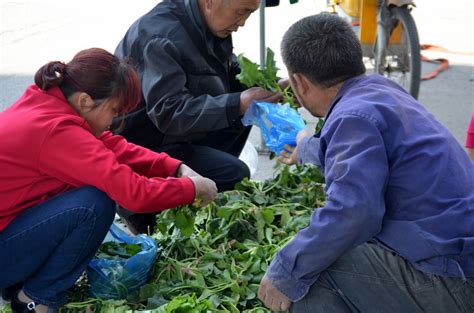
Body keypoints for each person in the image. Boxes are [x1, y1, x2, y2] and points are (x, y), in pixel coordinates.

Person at [257, 13, 474, 312]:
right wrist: (305, 147)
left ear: (300, 82)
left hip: (455, 281)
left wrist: (283, 271)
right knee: (325, 251)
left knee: (319, 264)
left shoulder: (351, 118)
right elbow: (352, 150)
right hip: (458, 254)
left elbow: (355, 212)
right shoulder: (380, 90)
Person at [0, 48, 217, 312]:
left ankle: (18, 282)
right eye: (113, 110)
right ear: (84, 101)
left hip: (9, 227)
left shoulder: (47, 101)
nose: (114, 121)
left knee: (83, 190)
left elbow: (112, 147)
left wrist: (175, 167)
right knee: (93, 205)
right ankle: (35, 300)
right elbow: (135, 193)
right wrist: (191, 188)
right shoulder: (55, 132)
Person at [114, 0, 282, 234]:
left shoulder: (210, 24)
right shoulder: (160, 36)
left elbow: (231, 77)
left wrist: (266, 89)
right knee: (236, 172)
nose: (242, 22)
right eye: (241, 12)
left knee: (243, 114)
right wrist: (238, 103)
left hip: (174, 134)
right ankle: (147, 217)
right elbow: (169, 113)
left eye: (250, 14)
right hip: (146, 144)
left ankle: (198, 189)